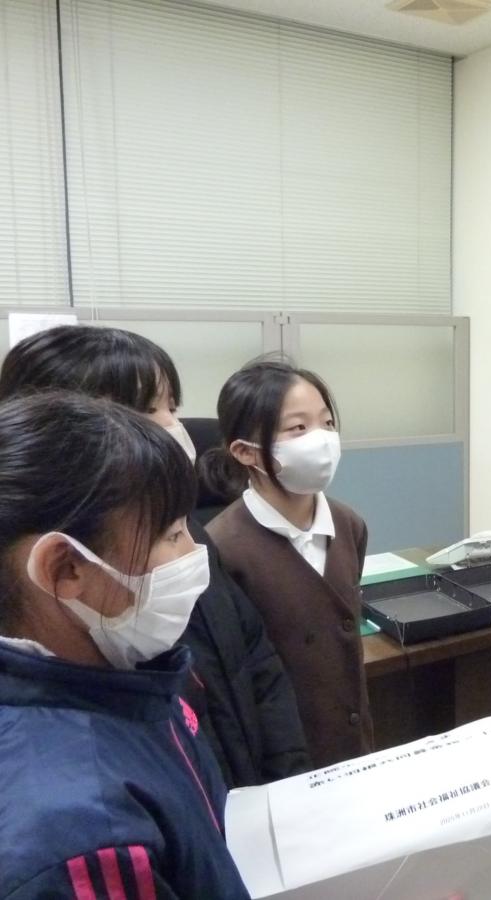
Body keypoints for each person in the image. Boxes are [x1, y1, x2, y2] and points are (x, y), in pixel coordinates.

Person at [0, 326, 311, 787]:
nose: (171, 427)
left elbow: (256, 658)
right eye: (145, 410)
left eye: (172, 407)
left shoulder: (187, 535)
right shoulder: (69, 615)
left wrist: (286, 783)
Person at [0, 391, 250, 898]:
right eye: (171, 534)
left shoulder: (129, 679)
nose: (194, 550)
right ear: (66, 567)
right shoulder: (82, 837)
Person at [201, 358, 372, 768]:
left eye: (327, 423)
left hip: (354, 747)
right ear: (246, 452)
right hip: (283, 760)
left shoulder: (349, 524)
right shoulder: (221, 549)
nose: (322, 439)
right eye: (298, 428)